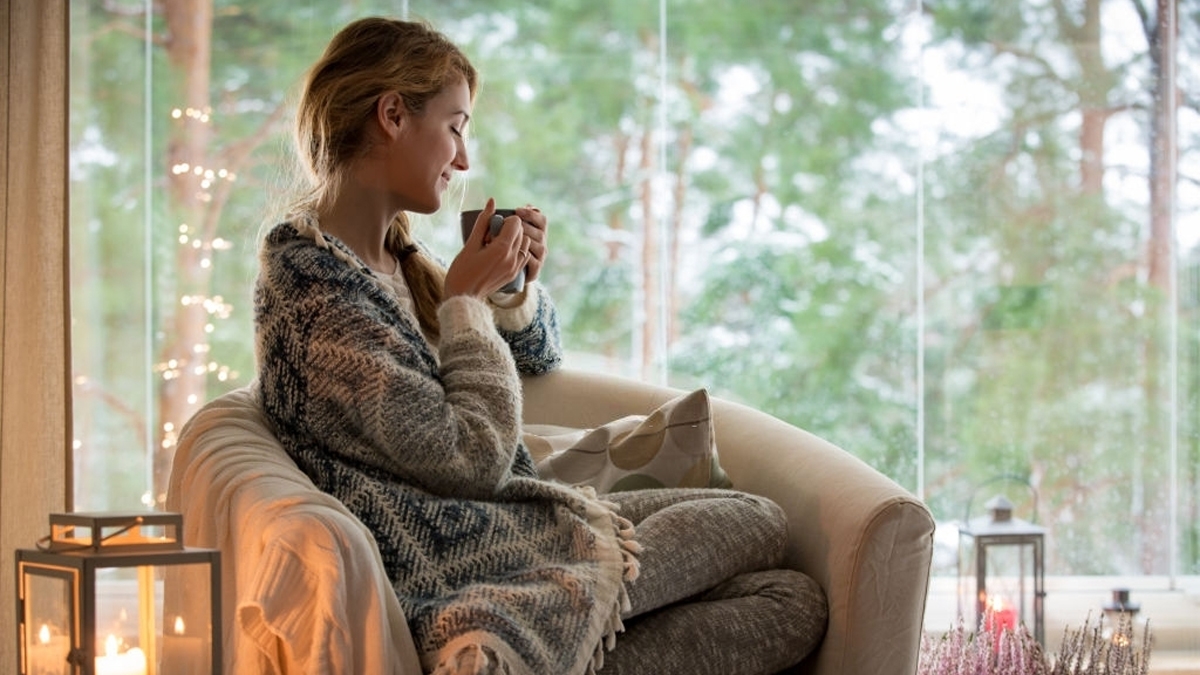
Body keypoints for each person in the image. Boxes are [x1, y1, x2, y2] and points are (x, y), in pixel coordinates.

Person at [253, 16, 827, 675]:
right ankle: (498, 637)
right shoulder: (312, 285)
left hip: (514, 532)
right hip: (462, 565)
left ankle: (524, 652)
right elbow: (469, 460)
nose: (463, 158)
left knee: (790, 595)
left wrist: (511, 292)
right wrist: (466, 305)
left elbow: (536, 361)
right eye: (456, 126)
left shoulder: (395, 257)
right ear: (392, 114)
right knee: (756, 526)